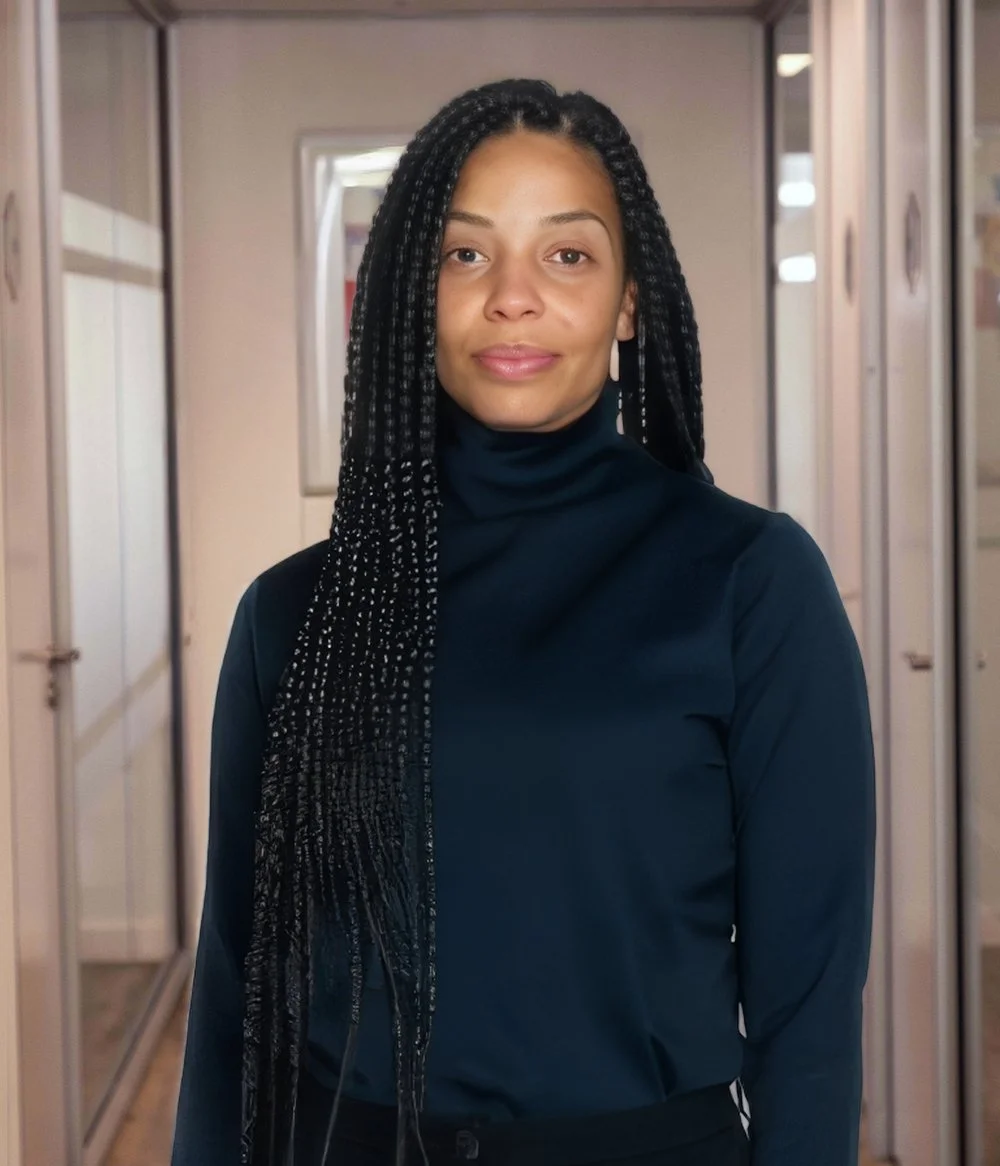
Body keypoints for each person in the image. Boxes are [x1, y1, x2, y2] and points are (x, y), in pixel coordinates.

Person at [171, 79, 876, 1166]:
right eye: (464, 255)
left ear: (629, 300)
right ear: (412, 292)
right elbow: (236, 994)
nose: (511, 296)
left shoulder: (747, 582)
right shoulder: (294, 613)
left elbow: (810, 1007)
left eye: (566, 254)